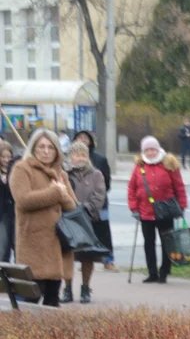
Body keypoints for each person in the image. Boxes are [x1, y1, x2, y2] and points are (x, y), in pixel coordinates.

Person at [9, 129, 78, 307]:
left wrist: (60, 194)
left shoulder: (61, 173)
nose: (46, 151)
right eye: (41, 147)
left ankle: (51, 336)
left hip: (58, 246)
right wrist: (56, 192)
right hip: (34, 246)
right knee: (31, 300)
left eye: (50, 147)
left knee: (53, 301)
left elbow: (72, 205)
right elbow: (23, 200)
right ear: (33, 148)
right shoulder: (22, 169)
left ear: (57, 151)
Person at [128, 136, 187, 285]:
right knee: (149, 243)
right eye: (147, 150)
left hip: (166, 211)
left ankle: (164, 271)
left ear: (158, 149)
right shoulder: (139, 167)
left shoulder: (169, 164)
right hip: (145, 212)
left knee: (167, 242)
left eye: (152, 149)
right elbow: (132, 188)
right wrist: (134, 208)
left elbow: (179, 186)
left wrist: (182, 205)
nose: (150, 153)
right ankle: (152, 273)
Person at [65, 141, 107, 303]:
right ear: (71, 157)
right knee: (67, 255)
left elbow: (99, 196)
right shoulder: (64, 174)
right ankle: (67, 288)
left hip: (88, 220)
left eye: (83, 154)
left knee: (87, 256)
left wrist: (84, 209)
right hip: (68, 220)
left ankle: (85, 288)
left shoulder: (96, 174)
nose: (80, 158)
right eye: (76, 154)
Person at [73, 130, 116, 271]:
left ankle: (108, 260)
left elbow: (107, 182)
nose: (83, 140)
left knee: (104, 233)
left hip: (100, 204)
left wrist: (96, 197)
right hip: (78, 205)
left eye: (85, 138)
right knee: (82, 232)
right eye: (79, 138)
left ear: (91, 141)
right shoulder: (69, 161)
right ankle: (85, 259)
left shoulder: (99, 159)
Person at [0, 140, 15, 262]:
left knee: (16, 244)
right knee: (3, 247)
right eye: (3, 156)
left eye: (9, 156)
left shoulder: (15, 171)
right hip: (3, 213)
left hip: (14, 212)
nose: (6, 160)